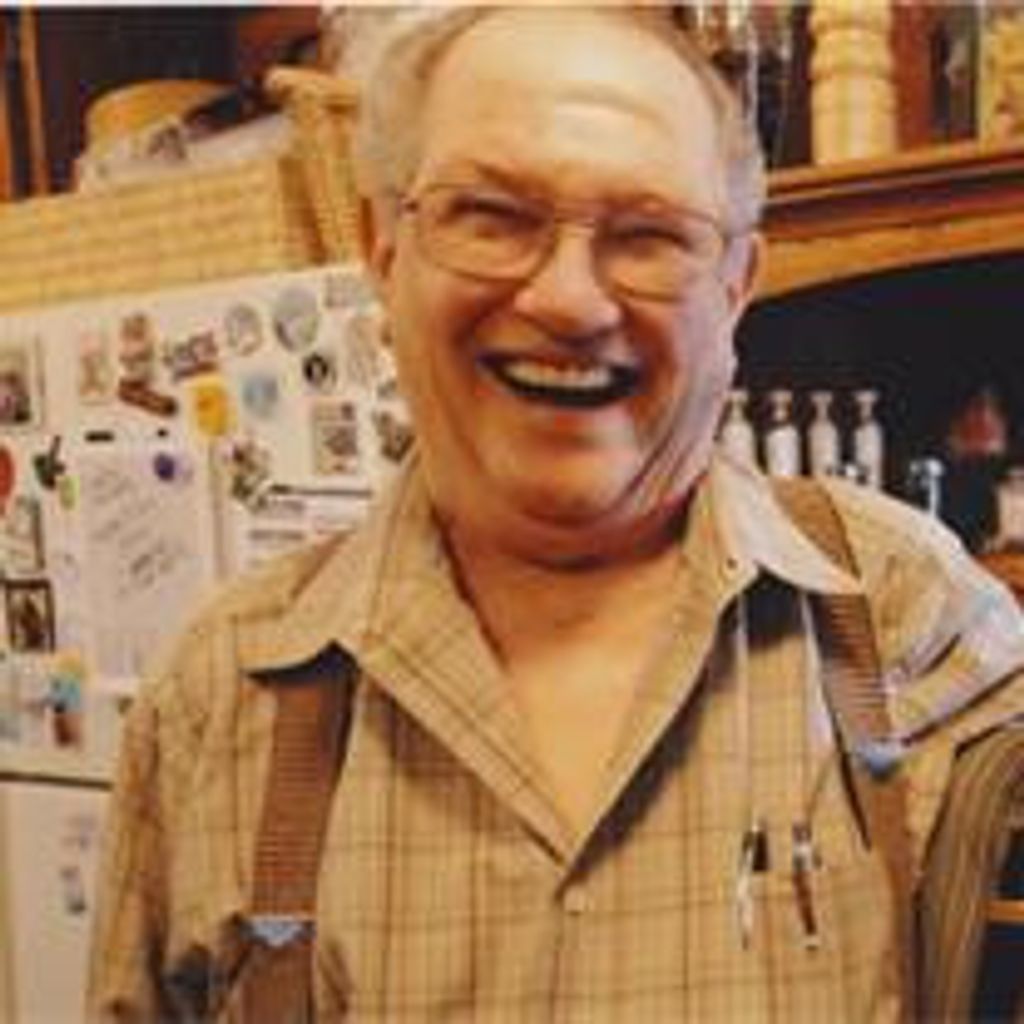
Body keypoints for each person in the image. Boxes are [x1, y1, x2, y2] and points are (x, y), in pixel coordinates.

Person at [88, 6, 1024, 1022]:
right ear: (383, 248)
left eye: (649, 234)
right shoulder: (217, 700)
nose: (570, 302)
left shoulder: (912, 622)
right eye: (493, 216)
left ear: (735, 287)